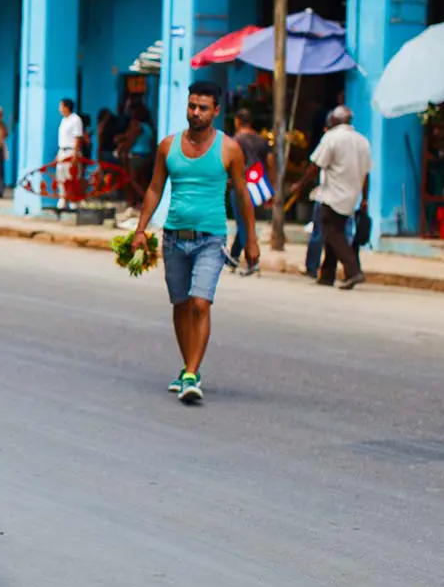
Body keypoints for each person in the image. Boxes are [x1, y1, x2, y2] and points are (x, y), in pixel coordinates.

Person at [131, 81, 259, 404]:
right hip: (174, 237)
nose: (196, 113)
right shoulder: (168, 146)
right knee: (180, 304)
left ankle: (190, 373)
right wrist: (140, 229)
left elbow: (243, 196)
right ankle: (189, 367)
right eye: (192, 106)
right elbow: (154, 189)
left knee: (201, 303)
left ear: (216, 111)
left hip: (211, 239)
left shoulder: (229, 149)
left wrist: (252, 240)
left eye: (203, 108)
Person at [287, 105, 371, 289]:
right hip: (351, 196)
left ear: (336, 120)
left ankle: (353, 270)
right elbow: (366, 174)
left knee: (333, 233)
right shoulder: (362, 141)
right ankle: (327, 274)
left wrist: (299, 185)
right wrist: (364, 198)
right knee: (335, 231)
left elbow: (316, 165)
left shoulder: (332, 138)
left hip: (333, 194)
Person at [226, 109, 275, 275]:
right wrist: (271, 188)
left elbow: (228, 161)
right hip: (257, 186)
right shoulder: (261, 140)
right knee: (245, 222)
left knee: (243, 223)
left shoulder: (235, 141)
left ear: (238, 121)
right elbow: (270, 162)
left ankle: (252, 260)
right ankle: (233, 257)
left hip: (240, 185)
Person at [55, 98, 84, 210]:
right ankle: (63, 200)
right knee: (60, 176)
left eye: (61, 106)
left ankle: (73, 202)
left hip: (71, 151)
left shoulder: (75, 120)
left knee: (71, 176)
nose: (60, 109)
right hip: (62, 151)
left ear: (66, 107)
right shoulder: (64, 120)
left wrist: (75, 155)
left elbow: (77, 137)